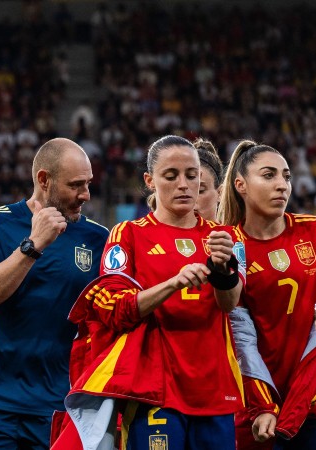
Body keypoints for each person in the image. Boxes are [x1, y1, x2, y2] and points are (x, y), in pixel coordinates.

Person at [0, 138, 109, 449]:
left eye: (88, 183)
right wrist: (34, 244)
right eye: (76, 185)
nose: (86, 194)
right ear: (43, 180)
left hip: (61, 407)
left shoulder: (99, 239)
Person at [99, 135, 245, 450]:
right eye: (171, 176)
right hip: (155, 390)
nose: (183, 185)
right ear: (150, 181)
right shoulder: (128, 235)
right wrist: (172, 284)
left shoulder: (225, 237)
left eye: (192, 176)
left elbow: (230, 303)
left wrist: (222, 269)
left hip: (214, 390)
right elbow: (114, 310)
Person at [217, 141, 316, 450]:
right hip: (257, 411)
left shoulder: (315, 231)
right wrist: (263, 406)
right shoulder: (230, 244)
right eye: (268, 175)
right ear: (240, 185)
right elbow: (240, 337)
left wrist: (294, 408)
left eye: (286, 176)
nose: (282, 185)